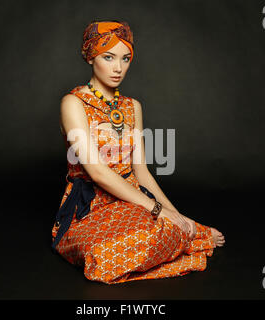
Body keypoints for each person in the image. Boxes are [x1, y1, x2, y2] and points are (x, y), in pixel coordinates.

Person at [51, 20, 225, 284]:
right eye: (108, 57)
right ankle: (186, 240)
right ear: (90, 57)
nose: (118, 68)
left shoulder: (133, 107)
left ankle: (188, 233)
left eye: (125, 58)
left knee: (165, 229)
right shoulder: (73, 103)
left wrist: (179, 217)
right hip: (89, 210)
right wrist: (158, 210)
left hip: (132, 202)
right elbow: (97, 172)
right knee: (102, 255)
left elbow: (141, 172)